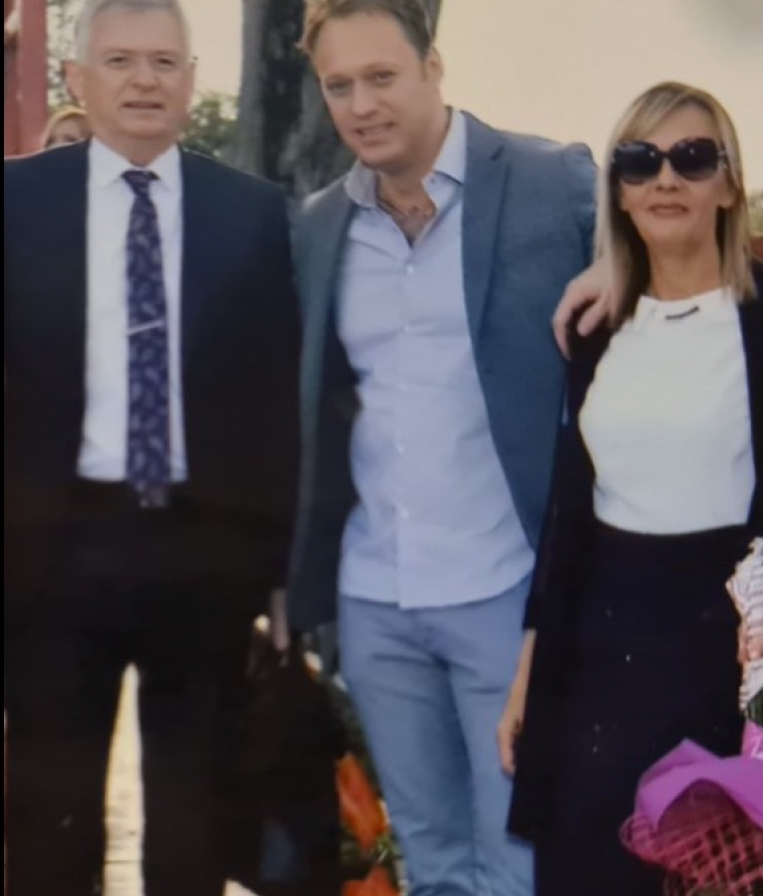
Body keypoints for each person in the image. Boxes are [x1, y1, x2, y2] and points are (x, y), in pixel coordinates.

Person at [286, 1, 596, 893]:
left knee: (516, 865)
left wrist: (621, 259)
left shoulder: (551, 181)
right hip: (374, 601)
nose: (360, 105)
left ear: (432, 65)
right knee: (427, 863)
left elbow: (675, 259)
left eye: (381, 77)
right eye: (338, 85)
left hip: (504, 591)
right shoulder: (317, 226)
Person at [3, 0, 300, 894]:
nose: (144, 81)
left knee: (192, 822)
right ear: (77, 79)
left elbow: (275, 400)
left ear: (191, 80)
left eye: (165, 63)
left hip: (202, 547)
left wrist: (277, 570)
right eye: (121, 61)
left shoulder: (253, 214)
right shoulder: (15, 203)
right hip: (52, 548)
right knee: (50, 820)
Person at [502, 81, 762, 896]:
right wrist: (528, 670)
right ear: (616, 189)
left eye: (692, 158)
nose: (665, 179)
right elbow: (567, 518)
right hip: (599, 657)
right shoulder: (594, 327)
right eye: (639, 160)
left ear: (728, 184)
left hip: (725, 659)